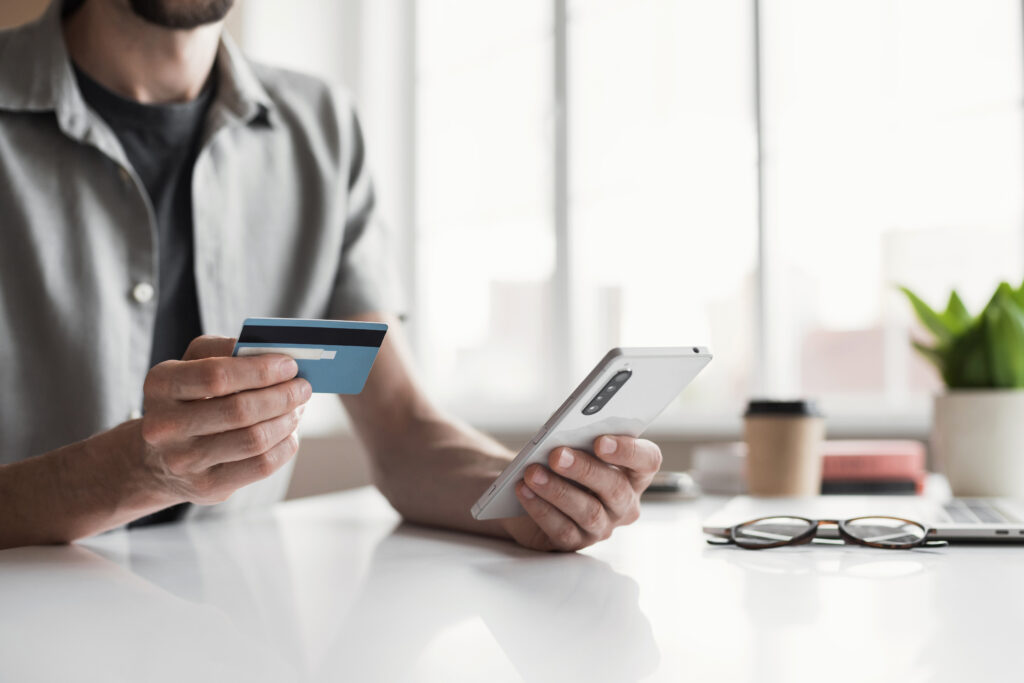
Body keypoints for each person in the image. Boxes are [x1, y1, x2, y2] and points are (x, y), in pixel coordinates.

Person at [0, 0, 662, 551]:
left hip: (237, 631)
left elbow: (404, 437)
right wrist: (132, 472)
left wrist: (529, 494)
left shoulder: (322, 129)